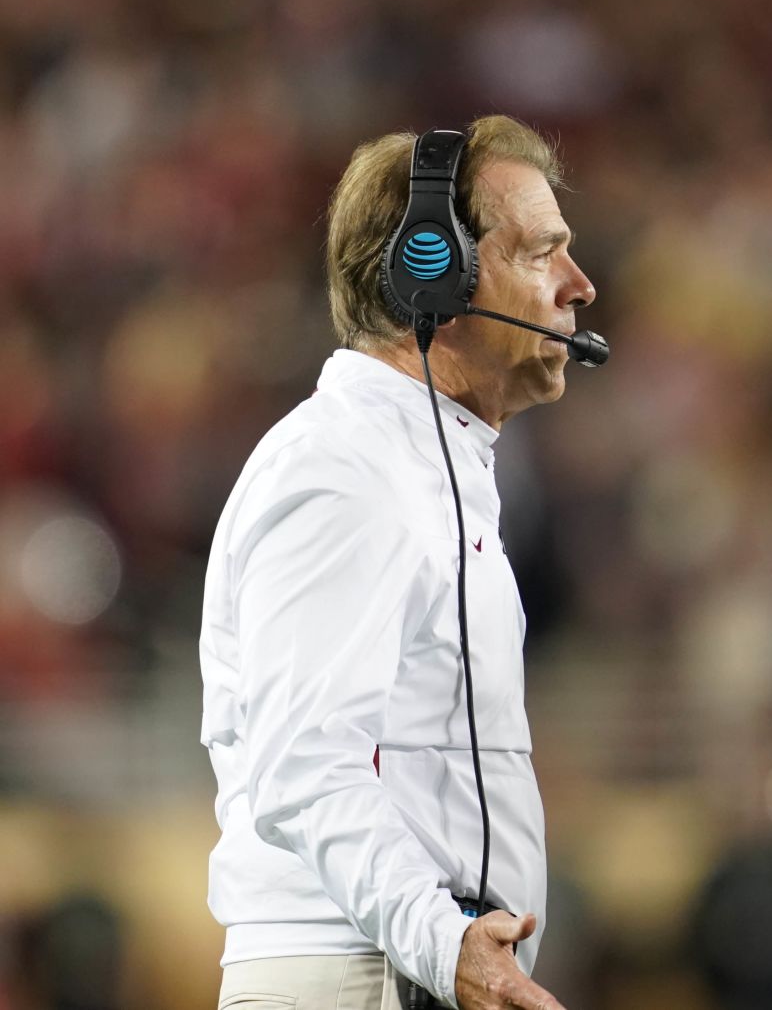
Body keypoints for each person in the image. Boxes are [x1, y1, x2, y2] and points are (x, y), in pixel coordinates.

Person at [199, 115, 595, 1010]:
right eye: (541, 254)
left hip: (398, 971)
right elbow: (305, 763)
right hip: (357, 976)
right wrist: (440, 938)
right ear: (433, 272)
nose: (581, 285)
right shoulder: (344, 470)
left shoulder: (429, 466)